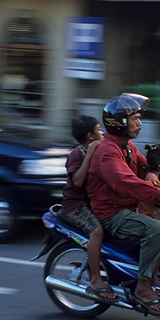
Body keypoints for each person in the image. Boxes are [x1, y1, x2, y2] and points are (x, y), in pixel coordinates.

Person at [87, 94, 160, 314]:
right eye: (134, 118)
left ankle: (156, 267)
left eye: (139, 118)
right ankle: (143, 288)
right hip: (111, 212)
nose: (140, 123)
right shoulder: (108, 152)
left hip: (128, 206)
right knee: (156, 229)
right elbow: (128, 184)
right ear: (119, 122)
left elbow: (150, 168)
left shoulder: (127, 147)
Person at [60, 115, 116, 300]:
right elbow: (77, 181)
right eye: (99, 129)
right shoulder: (77, 154)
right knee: (97, 231)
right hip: (75, 205)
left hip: (94, 201)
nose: (103, 132)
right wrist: (90, 153)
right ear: (90, 136)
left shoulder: (101, 148)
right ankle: (95, 279)